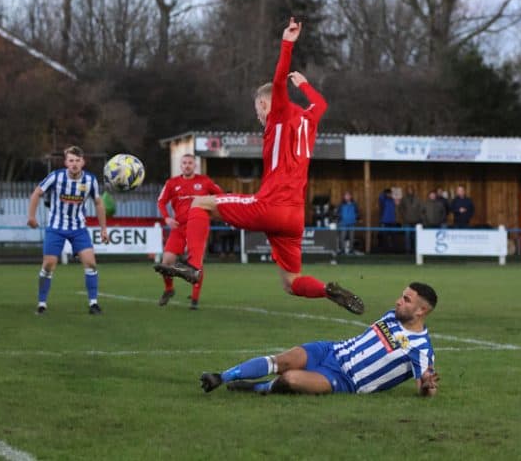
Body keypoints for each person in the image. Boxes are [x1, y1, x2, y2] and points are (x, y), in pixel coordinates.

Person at [154, 18, 364, 315]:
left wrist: (287, 43)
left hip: (271, 205)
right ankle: (326, 290)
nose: (258, 116)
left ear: (266, 105)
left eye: (257, 110)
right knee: (291, 283)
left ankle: (194, 267)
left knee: (200, 204)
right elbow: (321, 104)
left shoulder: (279, 111)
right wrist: (305, 85)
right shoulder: (309, 119)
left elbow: (278, 81)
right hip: (294, 216)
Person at [199, 283, 439, 396]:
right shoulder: (391, 316)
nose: (398, 301)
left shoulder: (421, 349)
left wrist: (427, 386)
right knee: (284, 360)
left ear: (421, 311)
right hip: (330, 351)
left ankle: (257, 388)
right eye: (401, 295)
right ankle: (221, 377)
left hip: (344, 380)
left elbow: (425, 386)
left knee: (291, 379)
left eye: (406, 300)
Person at [27, 145, 108, 315]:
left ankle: (93, 303)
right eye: (71, 160)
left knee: (91, 263)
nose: (74, 164)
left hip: (79, 228)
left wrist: (103, 229)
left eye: (77, 160)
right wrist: (31, 216)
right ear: (66, 162)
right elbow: (36, 193)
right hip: (56, 228)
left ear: (83, 162)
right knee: (49, 265)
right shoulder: (55, 177)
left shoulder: (90, 180)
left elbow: (99, 203)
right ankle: (42, 303)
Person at [156, 153, 223, 309]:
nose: (187, 165)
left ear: (195, 166)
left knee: (196, 262)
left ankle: (194, 299)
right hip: (179, 227)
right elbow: (161, 201)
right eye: (184, 163)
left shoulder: (205, 182)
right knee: (166, 262)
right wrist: (166, 218)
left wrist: (215, 213)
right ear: (181, 166)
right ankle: (169, 289)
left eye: (190, 163)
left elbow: (221, 197)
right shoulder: (172, 183)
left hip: (198, 227)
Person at [398, 186, 423, 253]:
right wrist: (404, 216)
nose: (410, 191)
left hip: (416, 221)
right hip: (407, 221)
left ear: (413, 190)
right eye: (408, 190)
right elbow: (400, 208)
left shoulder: (418, 199)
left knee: (415, 237)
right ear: (407, 191)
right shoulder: (404, 199)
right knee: (407, 236)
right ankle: (407, 251)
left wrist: (420, 218)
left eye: (411, 190)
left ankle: (415, 250)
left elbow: (421, 209)